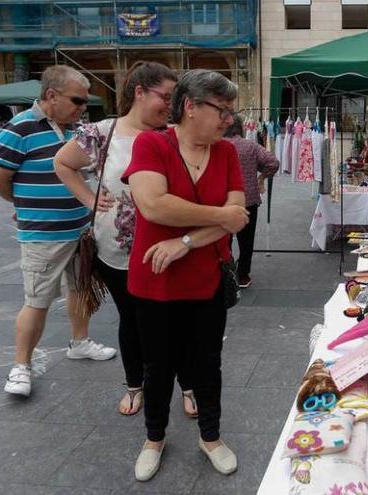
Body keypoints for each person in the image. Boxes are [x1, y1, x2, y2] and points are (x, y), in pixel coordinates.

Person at [122, 69, 249, 481]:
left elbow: (238, 219)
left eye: (231, 111)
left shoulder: (227, 152)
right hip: (155, 282)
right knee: (157, 367)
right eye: (222, 110)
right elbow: (154, 206)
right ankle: (153, 439)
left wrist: (185, 243)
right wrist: (221, 217)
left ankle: (210, 437)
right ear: (190, 107)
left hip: (205, 280)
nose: (228, 119)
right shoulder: (151, 144)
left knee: (207, 364)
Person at [54, 61, 199, 418]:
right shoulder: (101, 133)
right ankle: (136, 385)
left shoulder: (175, 134)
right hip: (117, 250)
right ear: (139, 92)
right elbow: (62, 163)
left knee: (176, 320)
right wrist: (90, 200)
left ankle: (189, 385)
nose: (170, 104)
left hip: (168, 247)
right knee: (132, 320)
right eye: (165, 96)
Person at [0, 65, 116, 398]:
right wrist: (25, 206)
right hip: (43, 233)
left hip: (79, 228)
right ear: (51, 96)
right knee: (38, 299)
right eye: (77, 100)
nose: (82, 107)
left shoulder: (74, 129)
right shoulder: (19, 128)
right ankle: (20, 366)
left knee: (79, 287)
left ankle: (80, 342)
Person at [224, 115, 279, 288]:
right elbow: (273, 162)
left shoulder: (216, 145)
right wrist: (261, 177)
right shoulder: (251, 146)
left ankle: (225, 272)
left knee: (223, 240)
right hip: (248, 199)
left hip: (222, 201)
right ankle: (242, 276)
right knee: (246, 240)